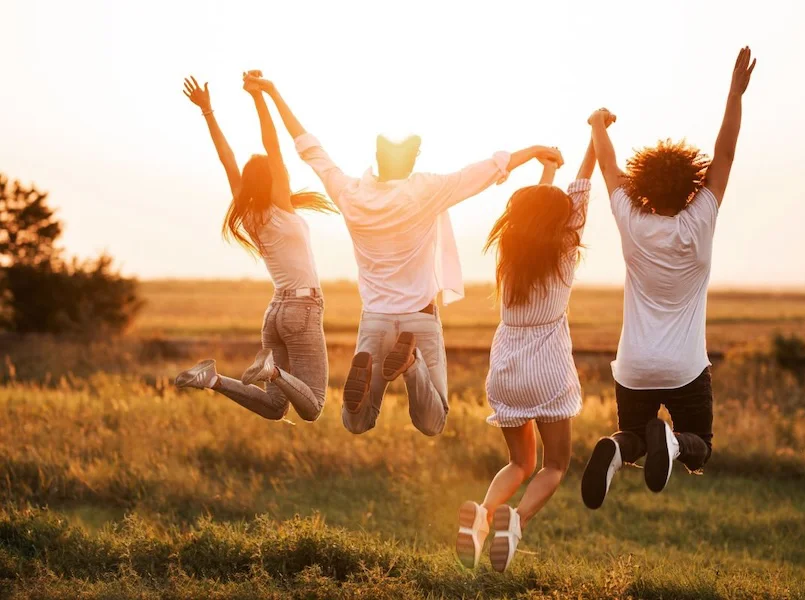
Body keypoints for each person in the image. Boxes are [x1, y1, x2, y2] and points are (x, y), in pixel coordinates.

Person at [243, 72, 564, 437]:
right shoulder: (427, 189)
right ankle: (411, 364)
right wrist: (535, 152)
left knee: (357, 423)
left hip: (375, 320)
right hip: (420, 319)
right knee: (433, 421)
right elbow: (485, 170)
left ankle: (362, 397)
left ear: (377, 159)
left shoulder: (350, 193)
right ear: (412, 162)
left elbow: (308, 148)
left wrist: (270, 94)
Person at [580, 47, 757, 509]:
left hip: (635, 366)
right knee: (700, 443)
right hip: (684, 368)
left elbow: (608, 167)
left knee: (634, 437)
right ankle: (674, 443)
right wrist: (734, 94)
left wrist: (598, 125)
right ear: (691, 185)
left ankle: (614, 448)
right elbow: (725, 153)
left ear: (643, 185)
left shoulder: (632, 222)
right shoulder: (700, 218)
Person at [455, 133, 600, 572]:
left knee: (519, 462)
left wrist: (548, 169)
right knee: (554, 465)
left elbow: (537, 210)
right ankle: (514, 521)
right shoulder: (564, 249)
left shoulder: (510, 250)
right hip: (547, 369)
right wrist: (596, 137)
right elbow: (580, 191)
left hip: (505, 367)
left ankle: (483, 515)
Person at [174, 74, 334, 423]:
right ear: (273, 179)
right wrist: (258, 97)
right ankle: (271, 371)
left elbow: (226, 158)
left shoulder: (247, 214)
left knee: (275, 409)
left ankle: (212, 379)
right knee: (313, 408)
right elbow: (273, 145)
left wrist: (208, 111)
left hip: (274, 314)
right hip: (302, 309)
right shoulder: (281, 204)